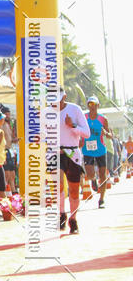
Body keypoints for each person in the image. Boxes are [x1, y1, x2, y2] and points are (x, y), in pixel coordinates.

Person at [59, 87, 90, 233]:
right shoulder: (46, 113)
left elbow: (87, 133)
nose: (56, 103)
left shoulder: (75, 109)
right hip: (55, 152)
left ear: (64, 96)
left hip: (72, 152)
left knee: (74, 190)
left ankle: (73, 218)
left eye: (58, 100)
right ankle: (61, 214)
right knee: (57, 186)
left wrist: (73, 126)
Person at [83, 95, 111, 208]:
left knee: (103, 175)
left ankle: (101, 199)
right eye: (90, 104)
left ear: (98, 105)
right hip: (87, 150)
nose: (92, 107)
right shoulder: (84, 117)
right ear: (88, 106)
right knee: (89, 175)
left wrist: (106, 133)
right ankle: (93, 180)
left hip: (100, 150)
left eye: (94, 104)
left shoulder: (103, 119)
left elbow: (110, 135)